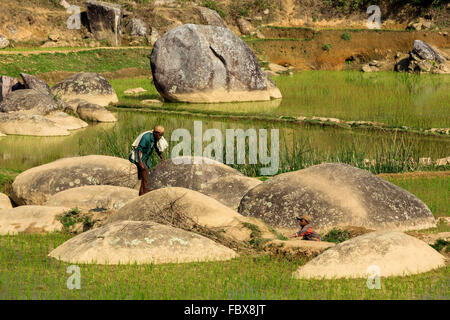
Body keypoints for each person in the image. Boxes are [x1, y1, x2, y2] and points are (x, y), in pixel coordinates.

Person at [136, 125, 166, 196]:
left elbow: (157, 149)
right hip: (141, 156)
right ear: (155, 133)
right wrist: (140, 162)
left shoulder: (156, 138)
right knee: (145, 170)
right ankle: (145, 190)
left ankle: (141, 192)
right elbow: (139, 150)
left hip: (147, 157)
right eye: (160, 135)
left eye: (162, 134)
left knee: (147, 171)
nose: (161, 136)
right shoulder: (146, 137)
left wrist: (162, 159)